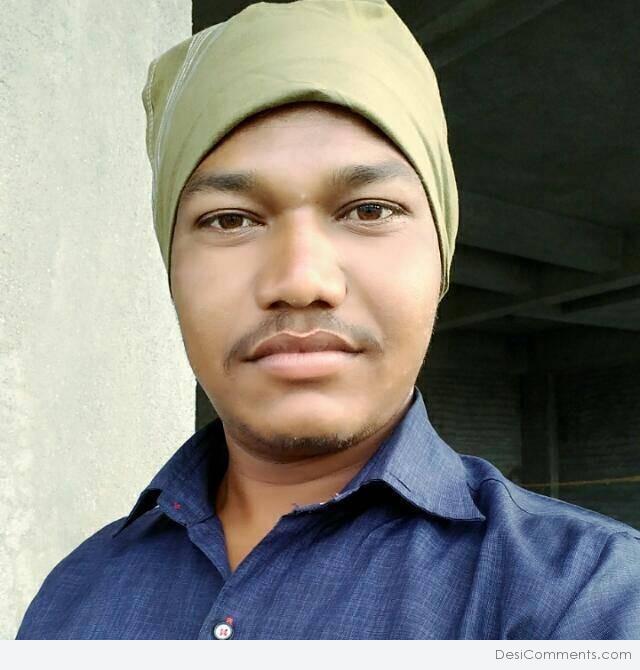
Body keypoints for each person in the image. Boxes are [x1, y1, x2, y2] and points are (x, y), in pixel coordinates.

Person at [17, 0, 640, 640]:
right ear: (171, 271)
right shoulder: (73, 597)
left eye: (369, 210)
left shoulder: (586, 600)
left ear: (441, 258)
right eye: (230, 219)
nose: (301, 281)